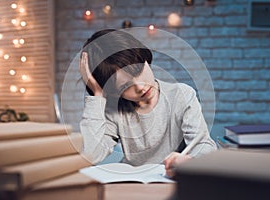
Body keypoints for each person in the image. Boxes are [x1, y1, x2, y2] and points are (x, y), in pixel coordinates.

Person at [79, 29, 217, 177]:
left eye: (138, 71)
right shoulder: (114, 110)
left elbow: (204, 146)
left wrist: (188, 161)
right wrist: (97, 94)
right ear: (113, 92)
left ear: (146, 60)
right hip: (132, 184)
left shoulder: (181, 95)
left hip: (172, 182)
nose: (140, 87)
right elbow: (90, 155)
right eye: (125, 86)